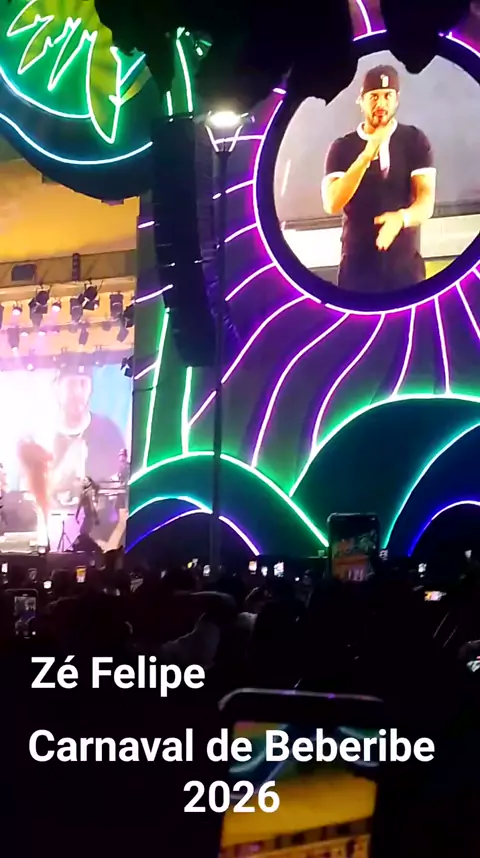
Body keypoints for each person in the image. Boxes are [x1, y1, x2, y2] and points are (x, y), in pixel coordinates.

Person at [322, 65, 436, 293]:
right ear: (361, 100)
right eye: (374, 96)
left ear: (397, 99)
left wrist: (401, 218)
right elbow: (332, 203)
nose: (381, 104)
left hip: (405, 269)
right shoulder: (342, 147)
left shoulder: (414, 140)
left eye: (387, 95)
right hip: (357, 270)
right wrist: (367, 154)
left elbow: (425, 203)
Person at [51, 365, 126, 503]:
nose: (77, 392)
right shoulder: (42, 434)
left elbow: (118, 486)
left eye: (83, 383)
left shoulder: (109, 432)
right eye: (71, 384)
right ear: (57, 388)